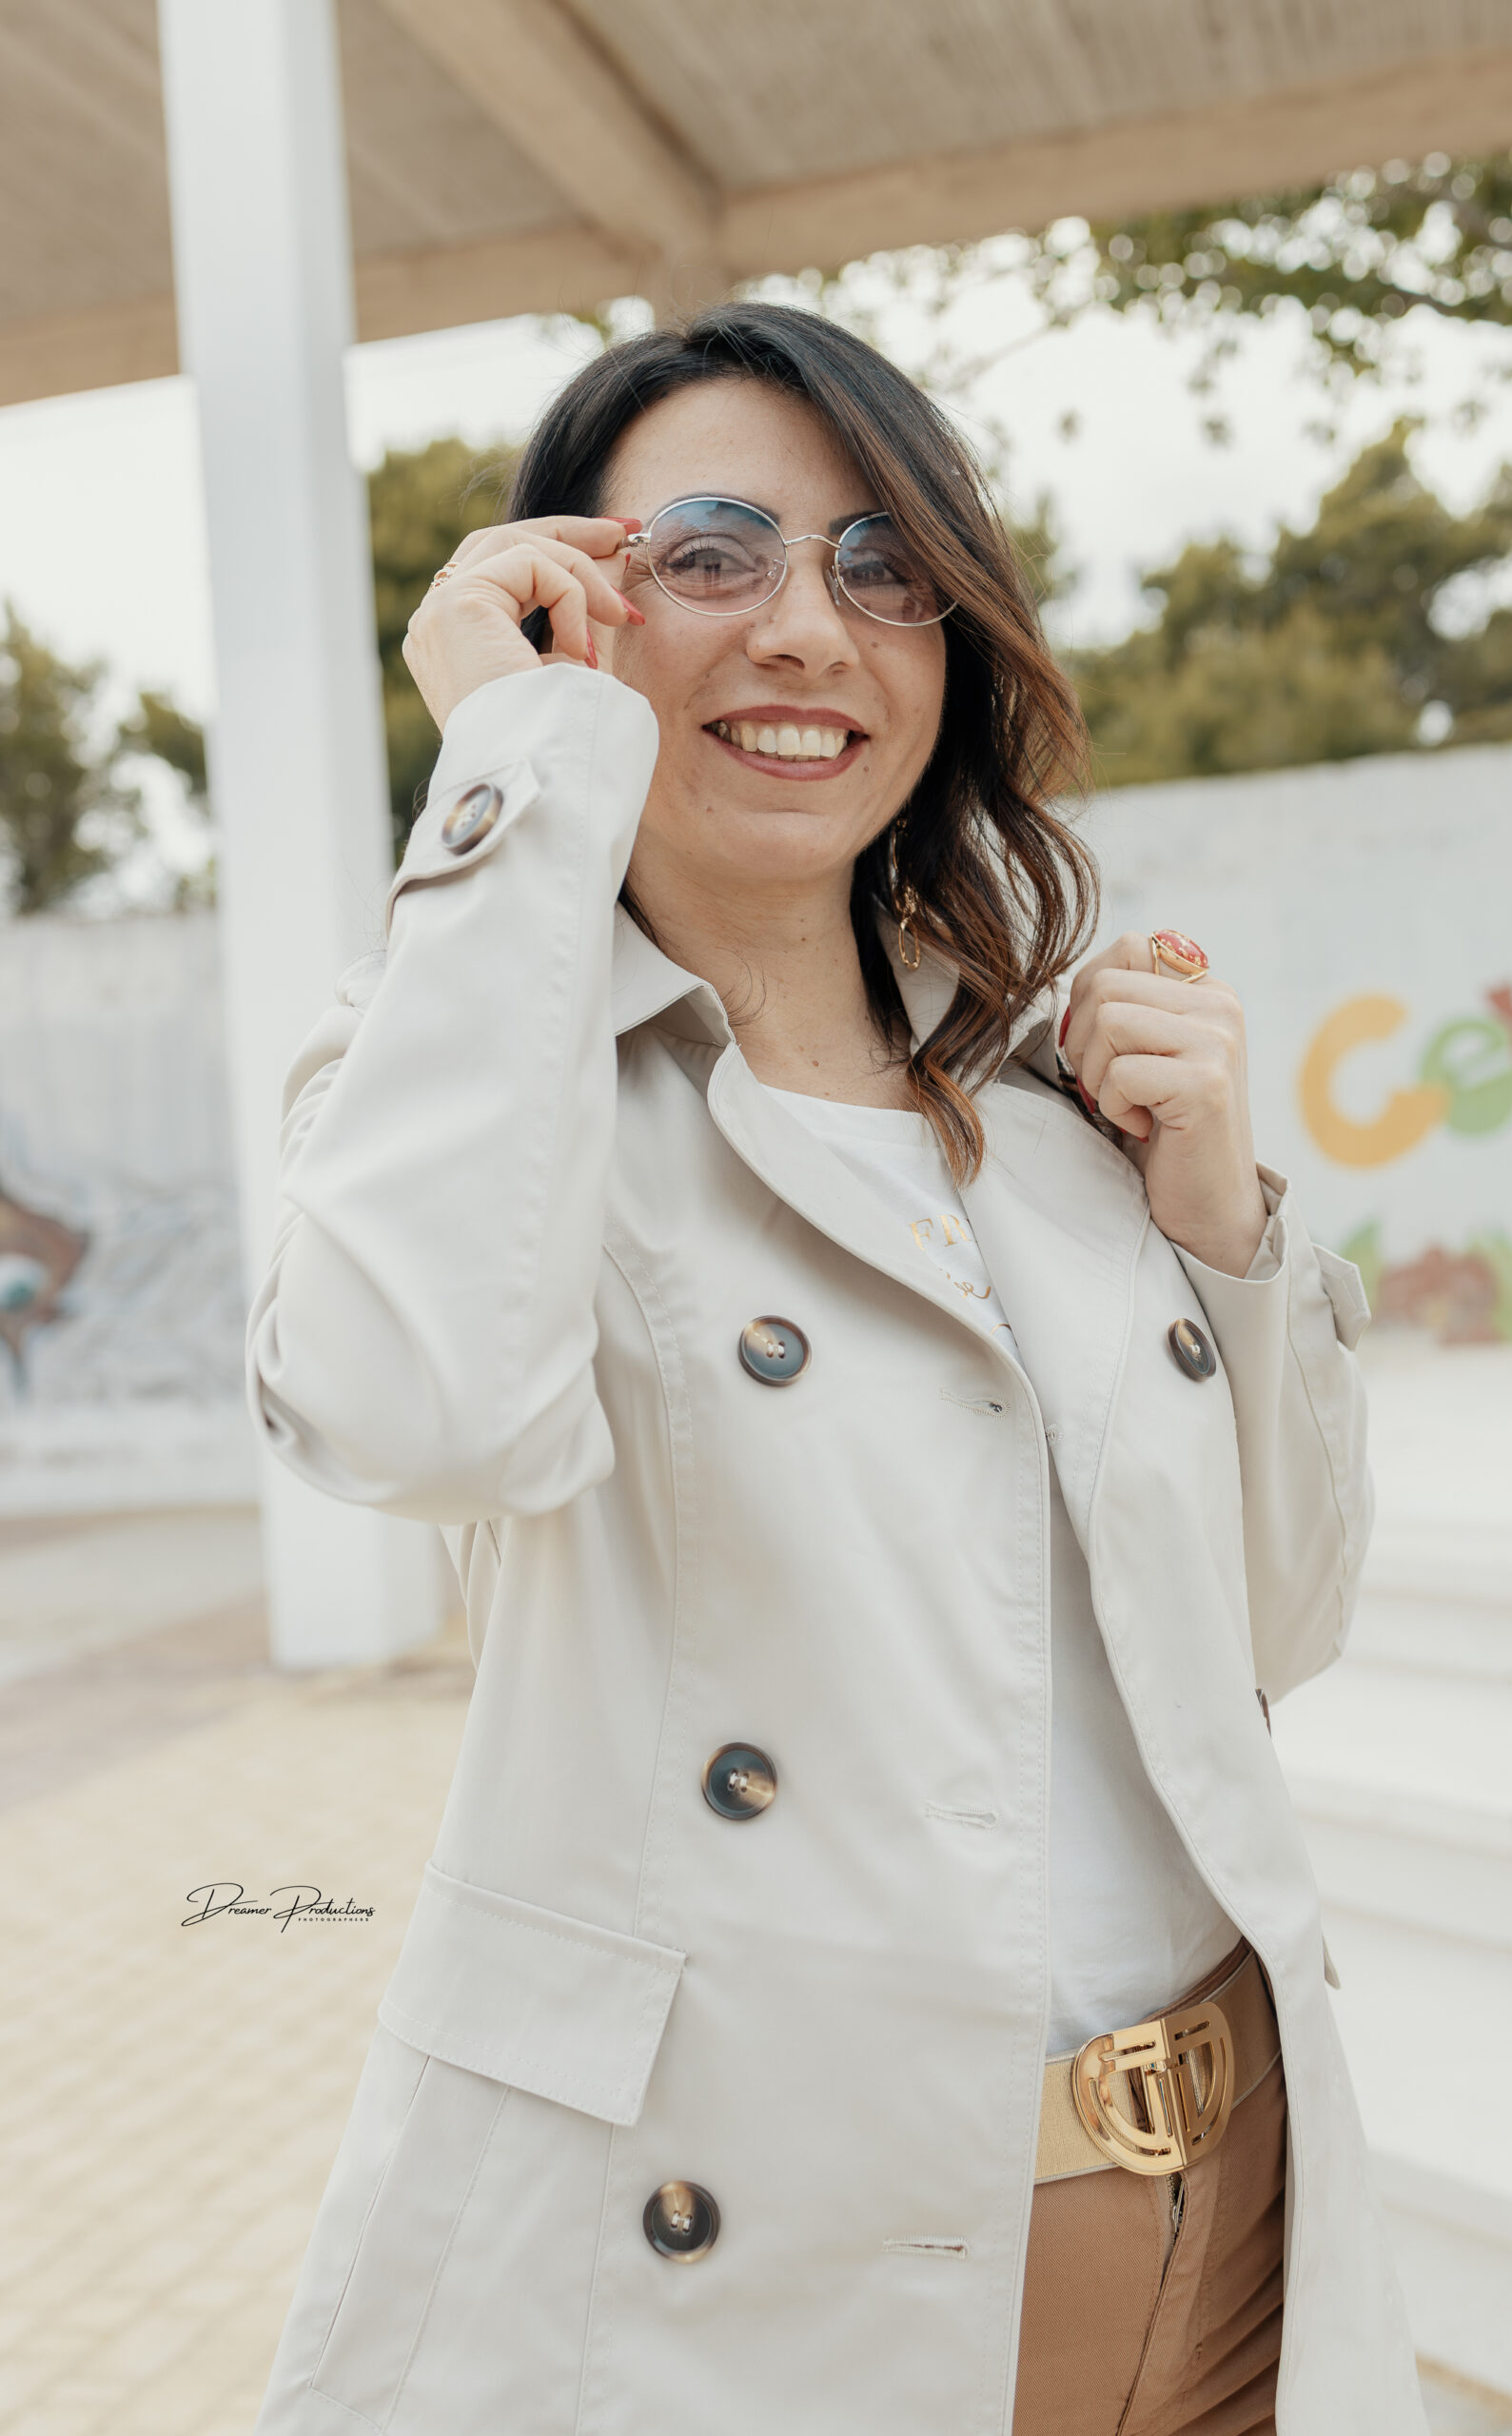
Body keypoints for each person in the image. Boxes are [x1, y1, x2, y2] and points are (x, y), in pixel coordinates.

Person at [249, 304, 1424, 2436]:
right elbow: (404, 1412)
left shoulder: (1049, 1100)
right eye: (708, 552)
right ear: (566, 609)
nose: (808, 626)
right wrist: (513, 761)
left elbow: (1281, 1623)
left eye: (885, 566)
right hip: (771, 2266)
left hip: (1233, 2214)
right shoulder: (470, 1066)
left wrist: (1223, 1236)